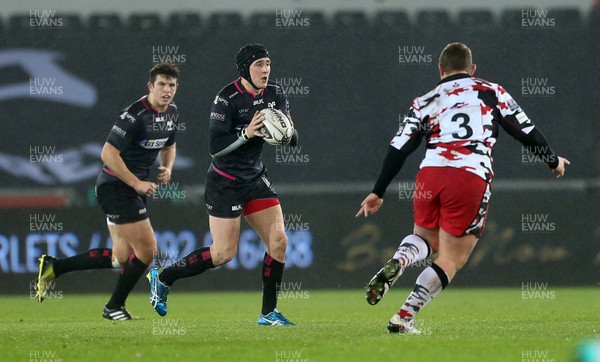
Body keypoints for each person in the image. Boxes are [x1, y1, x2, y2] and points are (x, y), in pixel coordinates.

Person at [355, 42, 569, 334]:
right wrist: (551, 160)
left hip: (429, 174)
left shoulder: (425, 100)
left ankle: (401, 259)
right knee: (452, 258)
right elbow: (524, 129)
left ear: (440, 70)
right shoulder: (491, 92)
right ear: (473, 69)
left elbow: (399, 148)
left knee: (426, 239)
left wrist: (378, 191)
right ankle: (403, 317)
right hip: (469, 176)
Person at [147, 44, 298, 326]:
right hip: (225, 181)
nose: (265, 69)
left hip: (255, 178)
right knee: (223, 253)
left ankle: (268, 314)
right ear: (244, 69)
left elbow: (292, 137)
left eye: (268, 63)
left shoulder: (276, 93)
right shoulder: (226, 99)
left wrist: (286, 132)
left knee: (279, 242)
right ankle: (164, 277)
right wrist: (247, 133)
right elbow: (215, 147)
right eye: (258, 64)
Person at [35, 63, 181, 320]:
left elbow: (170, 145)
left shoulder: (172, 113)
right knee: (147, 252)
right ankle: (114, 306)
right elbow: (107, 153)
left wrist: (166, 167)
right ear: (150, 86)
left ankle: (54, 267)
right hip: (115, 187)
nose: (166, 90)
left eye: (171, 85)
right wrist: (136, 183)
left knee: (120, 257)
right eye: (161, 84)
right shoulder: (134, 115)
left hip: (130, 190)